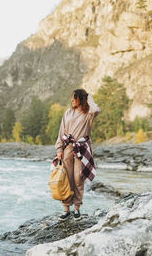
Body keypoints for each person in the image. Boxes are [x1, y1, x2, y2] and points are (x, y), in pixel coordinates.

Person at [54, 89, 101, 221]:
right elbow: (61, 131)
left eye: (74, 98)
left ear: (81, 98)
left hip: (82, 148)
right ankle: (66, 209)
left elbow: (96, 109)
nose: (72, 100)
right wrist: (59, 149)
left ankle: (76, 209)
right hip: (67, 148)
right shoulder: (68, 112)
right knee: (66, 179)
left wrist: (89, 97)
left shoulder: (88, 114)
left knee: (78, 179)